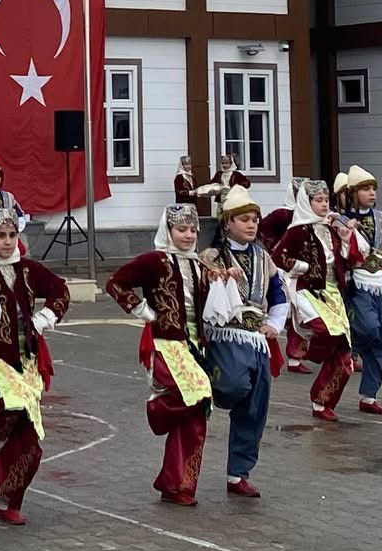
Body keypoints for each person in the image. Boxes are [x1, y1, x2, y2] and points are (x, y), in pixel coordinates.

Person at [0, 206, 69, 525]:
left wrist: (43, 319)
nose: (8, 242)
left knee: (30, 443)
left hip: (26, 362)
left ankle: (8, 499)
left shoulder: (28, 270)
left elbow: (60, 290)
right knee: (5, 411)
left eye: (12, 235)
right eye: (0, 235)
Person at [105, 205, 216, 506]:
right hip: (167, 343)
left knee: (196, 416)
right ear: (167, 230)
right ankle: (157, 409)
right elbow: (115, 283)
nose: (188, 235)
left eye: (192, 230)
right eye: (181, 229)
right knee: (197, 393)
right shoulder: (155, 260)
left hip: (194, 346)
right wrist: (144, 311)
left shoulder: (197, 264)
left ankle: (177, 484)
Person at [202, 185, 289, 499]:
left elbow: (278, 294)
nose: (252, 225)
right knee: (233, 386)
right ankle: (210, 390)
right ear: (228, 222)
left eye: (254, 219)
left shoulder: (263, 257)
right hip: (226, 337)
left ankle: (238, 474)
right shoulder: (211, 257)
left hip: (257, 340)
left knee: (255, 409)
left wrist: (274, 324)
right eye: (244, 219)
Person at [272, 181, 354, 421]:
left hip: (333, 293)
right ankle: (305, 349)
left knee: (344, 354)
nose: (324, 205)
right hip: (308, 291)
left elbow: (342, 261)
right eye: (318, 201)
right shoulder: (297, 230)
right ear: (306, 203)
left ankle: (322, 402)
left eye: (326, 200)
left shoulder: (330, 228)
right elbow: (278, 257)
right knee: (326, 331)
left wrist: (346, 240)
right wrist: (304, 267)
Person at [335, 165, 382, 416]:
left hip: (381, 284)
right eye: (365, 189)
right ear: (353, 192)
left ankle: (369, 396)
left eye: (373, 189)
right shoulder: (341, 220)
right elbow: (338, 254)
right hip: (358, 284)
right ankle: (349, 350)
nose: (372, 193)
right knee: (368, 327)